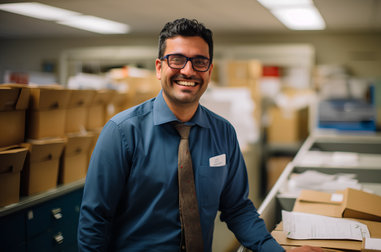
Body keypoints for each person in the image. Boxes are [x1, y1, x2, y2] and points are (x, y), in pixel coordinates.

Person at [78, 18, 322, 252]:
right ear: (159, 67)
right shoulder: (122, 132)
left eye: (199, 61)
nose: (188, 70)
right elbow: (95, 220)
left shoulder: (223, 133)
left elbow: (237, 208)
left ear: (209, 70)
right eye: (177, 60)